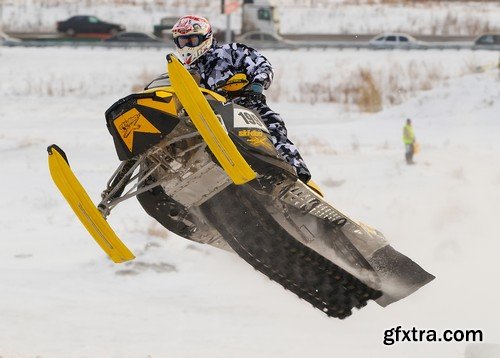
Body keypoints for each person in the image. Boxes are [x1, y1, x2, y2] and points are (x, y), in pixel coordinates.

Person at [171, 15, 312, 184]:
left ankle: (295, 169)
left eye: (192, 40)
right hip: (209, 118)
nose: (187, 46)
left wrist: (257, 85)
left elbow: (262, 65)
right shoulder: (184, 73)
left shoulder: (230, 52)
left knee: (273, 122)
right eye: (182, 41)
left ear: (205, 37)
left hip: (245, 107)